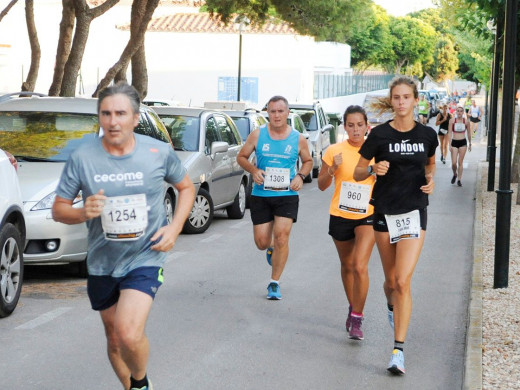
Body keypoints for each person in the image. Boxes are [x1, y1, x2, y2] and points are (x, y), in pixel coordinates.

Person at [52, 82, 196, 390]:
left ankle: (142, 384)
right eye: (105, 113)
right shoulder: (82, 157)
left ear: (135, 117)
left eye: (120, 113)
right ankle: (131, 386)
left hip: (146, 254)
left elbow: (186, 188)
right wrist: (82, 212)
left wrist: (174, 228)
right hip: (103, 261)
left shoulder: (157, 152)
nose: (112, 121)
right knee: (115, 339)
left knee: (129, 332)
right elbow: (59, 209)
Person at [353, 76, 438, 375]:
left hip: (414, 212)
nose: (401, 102)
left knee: (403, 280)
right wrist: (373, 169)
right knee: (390, 283)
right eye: (397, 98)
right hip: (384, 212)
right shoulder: (379, 136)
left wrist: (430, 180)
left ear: (415, 100)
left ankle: (398, 351)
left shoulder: (428, 134)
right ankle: (391, 305)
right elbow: (358, 170)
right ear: (392, 101)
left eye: (406, 97)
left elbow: (430, 164)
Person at [237, 95, 313, 300]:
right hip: (261, 194)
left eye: (281, 111)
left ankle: (274, 283)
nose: (277, 115)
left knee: (282, 236)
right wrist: (253, 170)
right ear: (267, 113)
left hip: (287, 194)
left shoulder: (298, 138)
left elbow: (308, 161)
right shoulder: (257, 135)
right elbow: (241, 157)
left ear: (288, 113)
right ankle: (270, 248)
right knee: (262, 242)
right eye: (272, 111)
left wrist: (300, 175)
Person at [317, 105, 376, 340]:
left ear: (366, 126)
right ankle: (353, 306)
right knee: (348, 265)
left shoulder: (375, 151)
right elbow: (321, 185)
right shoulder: (334, 150)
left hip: (367, 215)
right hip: (340, 214)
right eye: (350, 125)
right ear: (344, 127)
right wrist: (332, 169)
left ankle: (358, 317)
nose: (355, 130)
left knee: (360, 266)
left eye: (359, 125)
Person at [448, 105, 471, 187]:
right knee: (454, 163)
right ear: (456, 112)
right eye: (458, 111)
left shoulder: (466, 121)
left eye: (461, 111)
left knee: (460, 162)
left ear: (463, 112)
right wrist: (449, 144)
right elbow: (449, 132)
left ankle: (459, 179)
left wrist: (470, 143)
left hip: (463, 142)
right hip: (454, 142)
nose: (459, 112)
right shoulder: (452, 121)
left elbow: (468, 132)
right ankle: (455, 174)